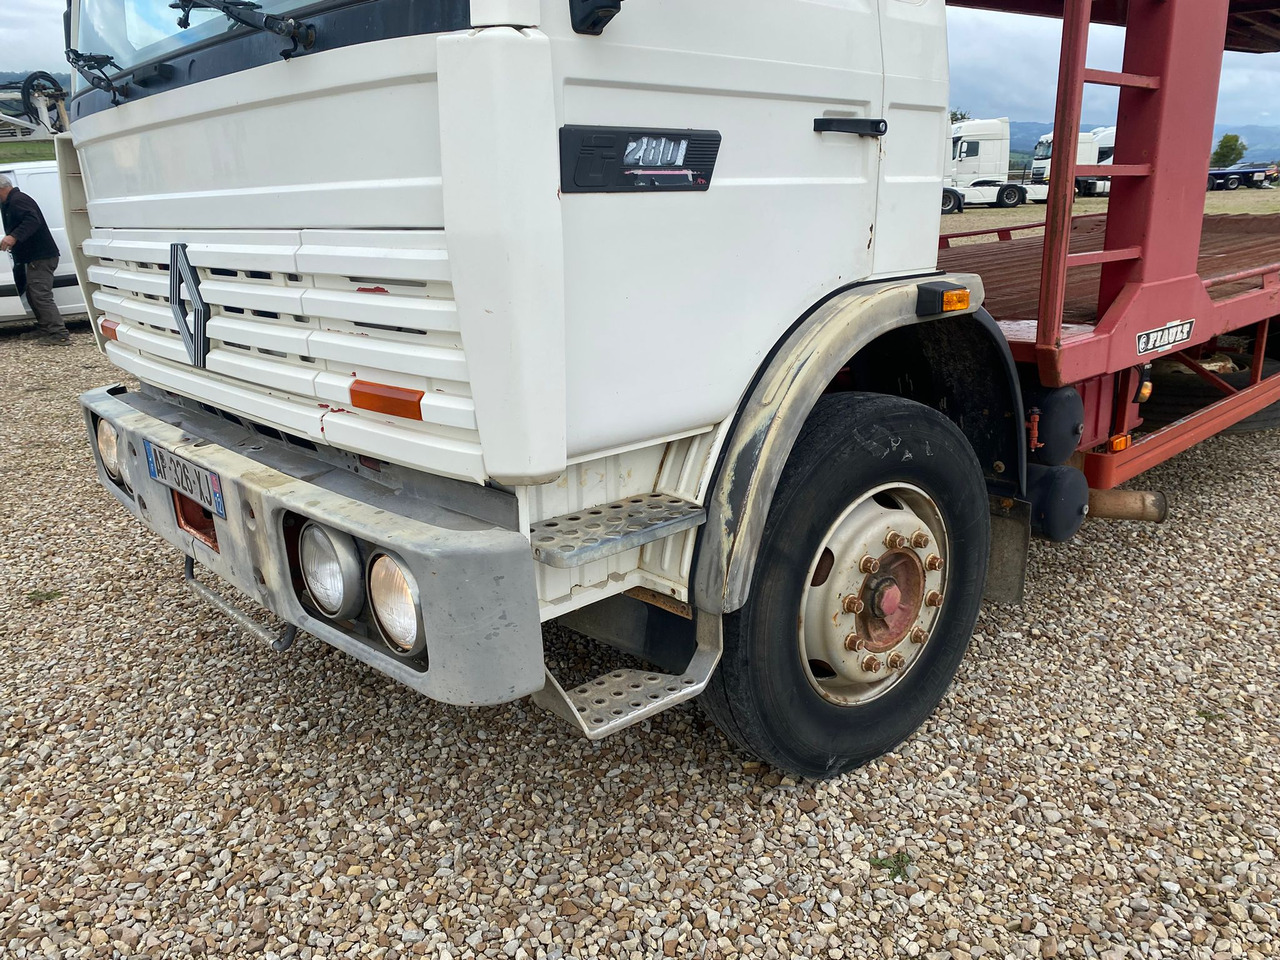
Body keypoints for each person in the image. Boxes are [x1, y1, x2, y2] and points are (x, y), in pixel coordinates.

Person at [0, 174, 70, 344]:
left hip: (41, 256)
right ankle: (45, 327)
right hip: (31, 257)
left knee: (40, 295)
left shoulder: (18, 200)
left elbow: (33, 220)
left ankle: (59, 334)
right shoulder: (9, 203)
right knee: (32, 294)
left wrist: (13, 237)